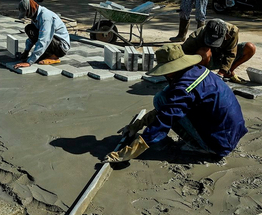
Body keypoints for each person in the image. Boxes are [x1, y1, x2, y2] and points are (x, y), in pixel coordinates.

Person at [104, 43, 248, 163]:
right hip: (231, 132)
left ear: (170, 70)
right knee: (165, 97)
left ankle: (201, 146)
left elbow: (165, 118)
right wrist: (139, 124)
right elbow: (171, 107)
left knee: (162, 99)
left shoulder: (184, 88)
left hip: (220, 143)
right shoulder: (197, 71)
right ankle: (206, 141)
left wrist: (129, 152)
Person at [182, 19, 256, 84]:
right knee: (203, 52)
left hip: (222, 56)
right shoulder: (196, 36)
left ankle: (228, 72)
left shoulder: (232, 31)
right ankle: (202, 75)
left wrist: (221, 73)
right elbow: (182, 54)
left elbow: (231, 54)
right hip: (208, 60)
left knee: (250, 47)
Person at [14, 0, 70, 68]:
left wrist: (29, 62)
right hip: (52, 42)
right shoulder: (35, 15)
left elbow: (43, 40)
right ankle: (47, 54)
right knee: (29, 28)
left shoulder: (45, 17)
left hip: (60, 47)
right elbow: (32, 38)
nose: (27, 16)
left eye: (26, 14)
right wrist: (26, 51)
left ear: (31, 9)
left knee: (33, 57)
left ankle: (54, 57)